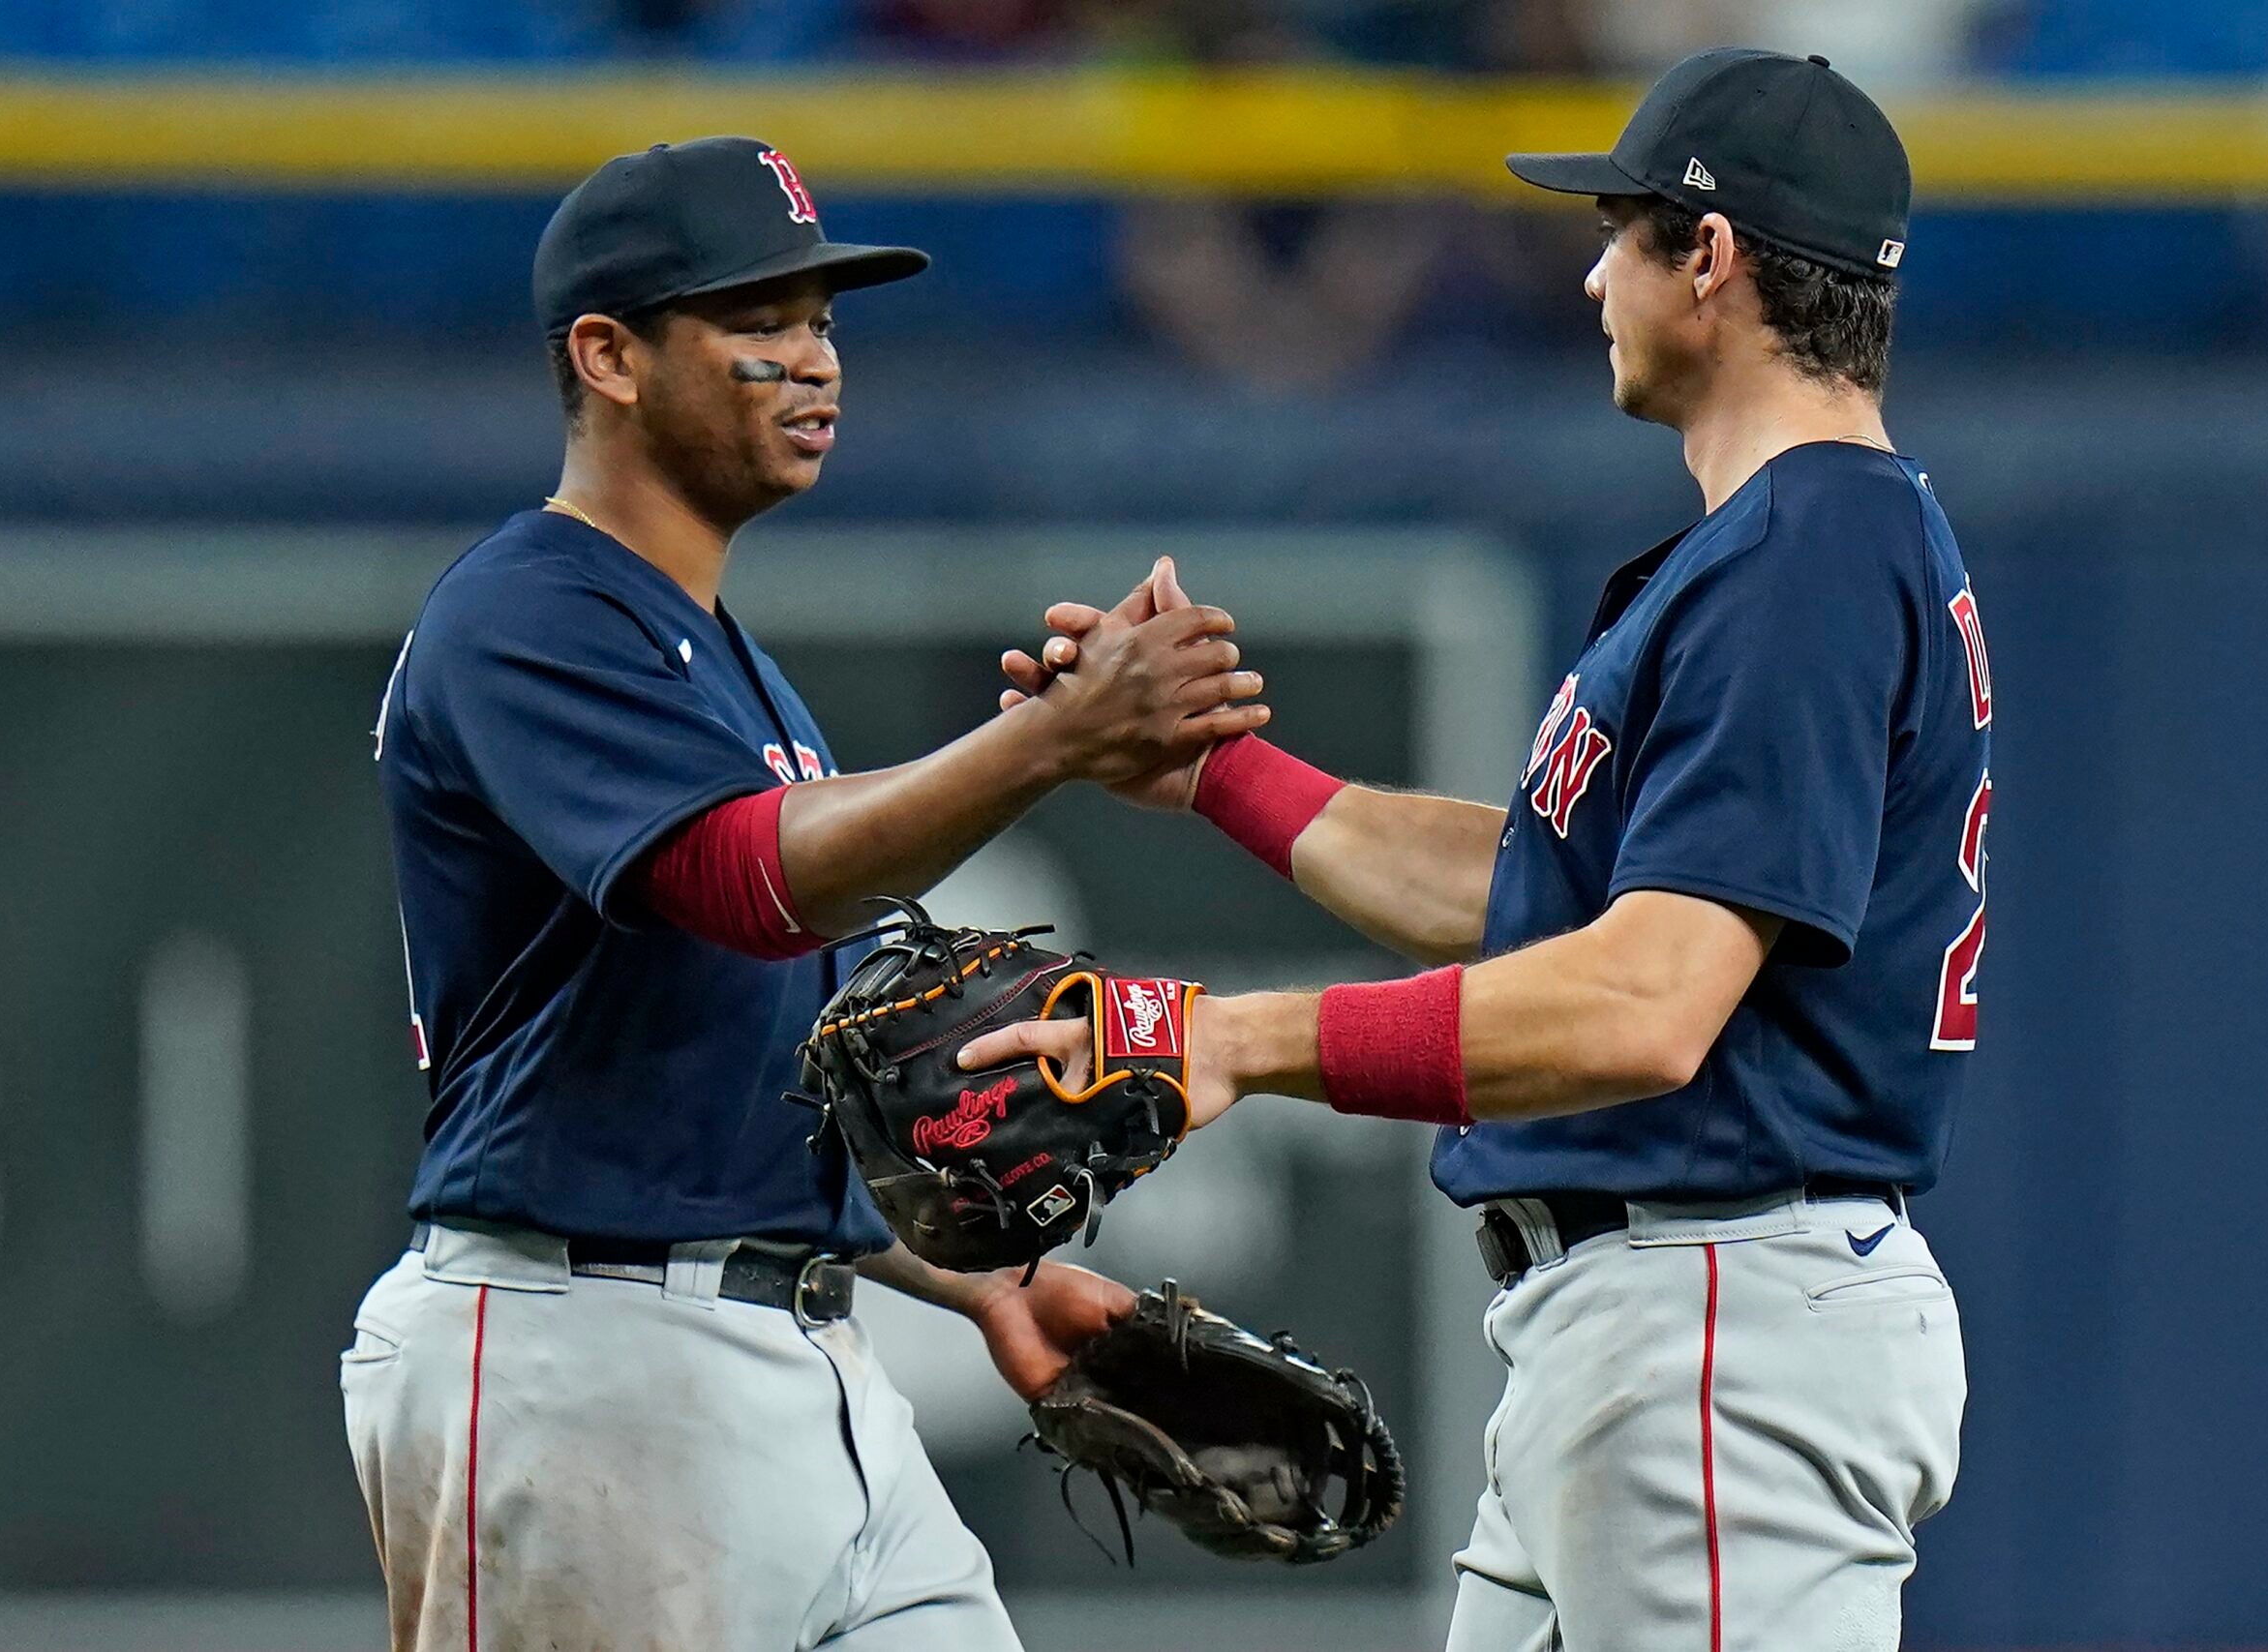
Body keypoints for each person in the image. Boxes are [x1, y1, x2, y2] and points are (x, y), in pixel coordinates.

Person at [978, 49, 1988, 1650]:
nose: (1592, 272)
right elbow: (1537, 898)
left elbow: (1640, 1006)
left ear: (1710, 260)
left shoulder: (1807, 550)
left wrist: (1238, 1038)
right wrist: (1220, 780)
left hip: (1717, 1313)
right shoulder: (1795, 546)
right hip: (1661, 1320)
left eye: (1622, 232)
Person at [343, 135, 1267, 1652]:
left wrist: (985, 1287)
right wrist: (1052, 738)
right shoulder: (526, 611)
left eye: (826, 322)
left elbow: (767, 1085)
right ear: (609, 355)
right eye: (759, 322)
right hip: (583, 1365)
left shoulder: (731, 665)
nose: (814, 361)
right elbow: (739, 883)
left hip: (794, 1348)